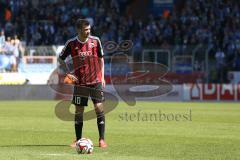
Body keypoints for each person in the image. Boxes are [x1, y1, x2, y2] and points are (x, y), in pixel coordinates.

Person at [58, 19, 107, 148]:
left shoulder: (95, 41)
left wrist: (102, 77)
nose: (88, 31)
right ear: (78, 30)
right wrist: (68, 72)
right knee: (79, 111)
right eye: (86, 30)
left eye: (89, 29)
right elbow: (60, 58)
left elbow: (101, 59)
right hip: (80, 83)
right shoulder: (71, 43)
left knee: (99, 108)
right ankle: (78, 140)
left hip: (96, 80)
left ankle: (102, 139)